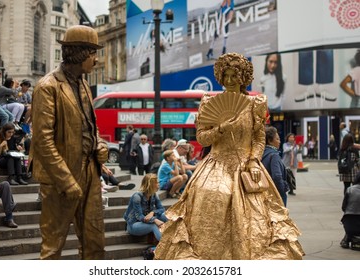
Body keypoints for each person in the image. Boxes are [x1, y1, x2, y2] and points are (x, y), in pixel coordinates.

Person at [154, 53, 304, 260]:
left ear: (243, 77)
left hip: (246, 166)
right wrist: (221, 129)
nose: (230, 81)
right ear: (221, 77)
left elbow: (259, 138)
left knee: (255, 215)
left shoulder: (255, 104)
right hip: (215, 165)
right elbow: (203, 139)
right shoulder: (208, 103)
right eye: (227, 76)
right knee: (210, 200)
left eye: (235, 76)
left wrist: (253, 161)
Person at [29, 25, 108, 260]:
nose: (95, 60)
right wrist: (66, 180)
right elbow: (42, 140)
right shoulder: (47, 87)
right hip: (60, 179)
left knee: (95, 244)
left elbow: (90, 126)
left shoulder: (83, 84)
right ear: (79, 53)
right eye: (93, 53)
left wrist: (100, 145)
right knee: (53, 247)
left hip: (89, 172)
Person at [123, 173, 168, 242]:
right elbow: (140, 217)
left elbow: (162, 209)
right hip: (134, 224)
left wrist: (153, 212)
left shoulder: (154, 195)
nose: (159, 184)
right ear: (151, 185)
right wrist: (155, 220)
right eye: (157, 183)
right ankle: (165, 245)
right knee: (153, 225)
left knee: (165, 215)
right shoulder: (137, 197)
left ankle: (174, 238)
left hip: (147, 220)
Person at [262, 126, 289, 206]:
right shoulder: (274, 155)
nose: (279, 141)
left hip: (265, 193)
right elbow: (277, 176)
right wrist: (282, 190)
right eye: (277, 139)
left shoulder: (262, 154)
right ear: (270, 141)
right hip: (276, 194)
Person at [340, 172, 360, 251]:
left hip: (349, 223)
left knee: (349, 219)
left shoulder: (350, 189)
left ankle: (346, 239)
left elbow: (344, 207)